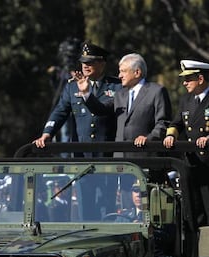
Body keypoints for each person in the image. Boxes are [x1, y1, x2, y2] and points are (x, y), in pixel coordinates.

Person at [34, 42, 122, 157]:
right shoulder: (72, 86)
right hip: (81, 153)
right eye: (83, 62)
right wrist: (47, 133)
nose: (85, 65)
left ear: (102, 63)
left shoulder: (117, 86)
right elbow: (60, 111)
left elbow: (103, 109)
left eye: (90, 62)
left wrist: (86, 93)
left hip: (107, 153)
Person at [75, 53, 172, 157]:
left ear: (137, 72)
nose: (119, 76)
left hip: (145, 155)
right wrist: (86, 93)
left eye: (123, 71)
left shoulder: (156, 91)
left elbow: (163, 122)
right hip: (120, 159)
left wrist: (149, 138)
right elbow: (100, 110)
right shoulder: (120, 95)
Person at [163, 59, 209, 226]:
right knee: (192, 211)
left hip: (207, 163)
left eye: (188, 79)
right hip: (190, 163)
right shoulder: (186, 100)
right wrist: (171, 136)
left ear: (201, 79)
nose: (184, 83)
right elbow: (177, 123)